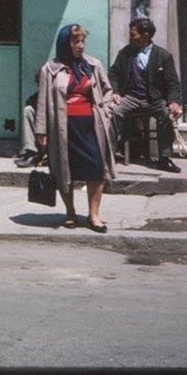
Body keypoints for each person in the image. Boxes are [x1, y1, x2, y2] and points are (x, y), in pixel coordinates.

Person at [35, 24, 117, 233]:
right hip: (63, 127)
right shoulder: (50, 69)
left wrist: (105, 111)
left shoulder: (93, 65)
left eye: (82, 41)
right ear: (65, 43)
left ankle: (94, 215)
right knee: (64, 170)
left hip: (90, 125)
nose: (81, 46)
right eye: (75, 41)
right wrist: (41, 132)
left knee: (97, 168)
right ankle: (70, 213)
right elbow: (43, 102)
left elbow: (108, 91)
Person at [108, 17, 184, 173]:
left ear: (146, 36)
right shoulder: (125, 53)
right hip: (131, 97)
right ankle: (108, 154)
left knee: (165, 114)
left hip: (154, 99)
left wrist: (174, 102)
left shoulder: (163, 56)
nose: (130, 37)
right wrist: (115, 92)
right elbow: (113, 73)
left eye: (133, 34)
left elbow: (173, 83)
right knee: (114, 112)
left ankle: (164, 158)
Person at [14, 69, 45, 168]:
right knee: (28, 110)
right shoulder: (38, 96)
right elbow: (30, 102)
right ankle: (31, 153)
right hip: (42, 136)